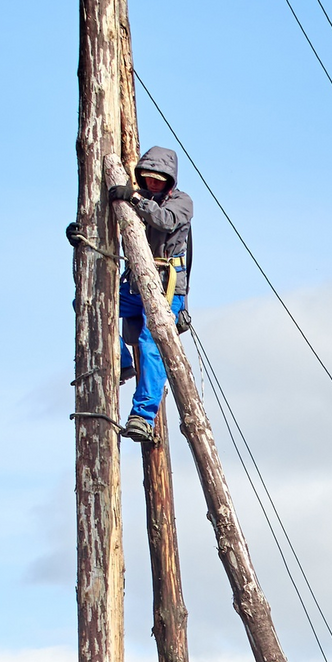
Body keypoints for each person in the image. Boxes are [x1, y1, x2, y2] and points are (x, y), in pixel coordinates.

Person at [107, 147, 194, 444]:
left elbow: (165, 220)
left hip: (166, 285)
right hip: (135, 283)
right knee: (92, 307)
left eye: (159, 180)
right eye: (148, 178)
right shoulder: (137, 198)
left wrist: (133, 198)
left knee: (151, 341)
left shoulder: (182, 202)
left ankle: (143, 416)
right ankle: (121, 362)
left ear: (169, 181)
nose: (153, 184)